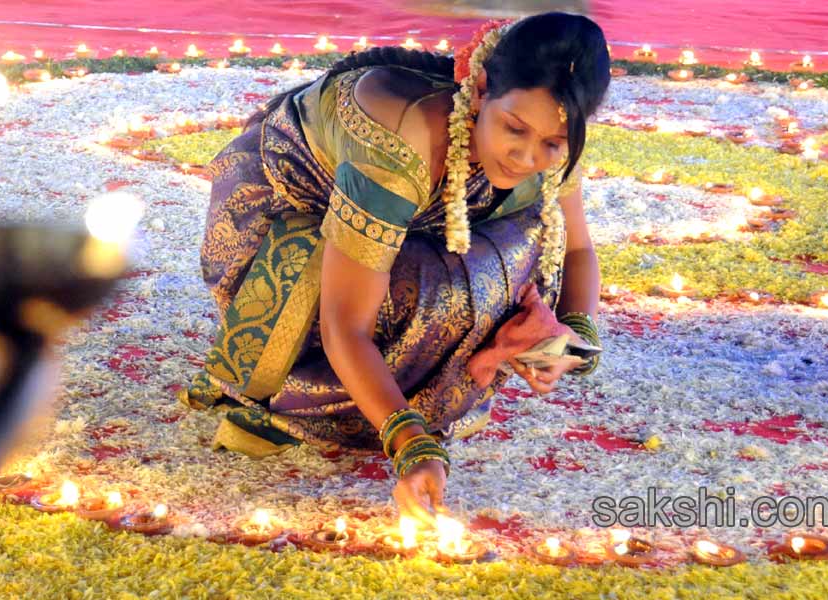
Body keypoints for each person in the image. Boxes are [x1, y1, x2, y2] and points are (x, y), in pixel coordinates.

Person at [178, 11, 611, 527]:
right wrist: (410, 443)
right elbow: (347, 326)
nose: (526, 155)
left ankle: (407, 386)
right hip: (287, 231)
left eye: (553, 145)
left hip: (409, 224)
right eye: (514, 128)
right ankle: (307, 397)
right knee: (444, 291)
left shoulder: (556, 129)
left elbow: (579, 250)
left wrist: (570, 342)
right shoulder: (400, 135)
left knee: (532, 240)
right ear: (479, 90)